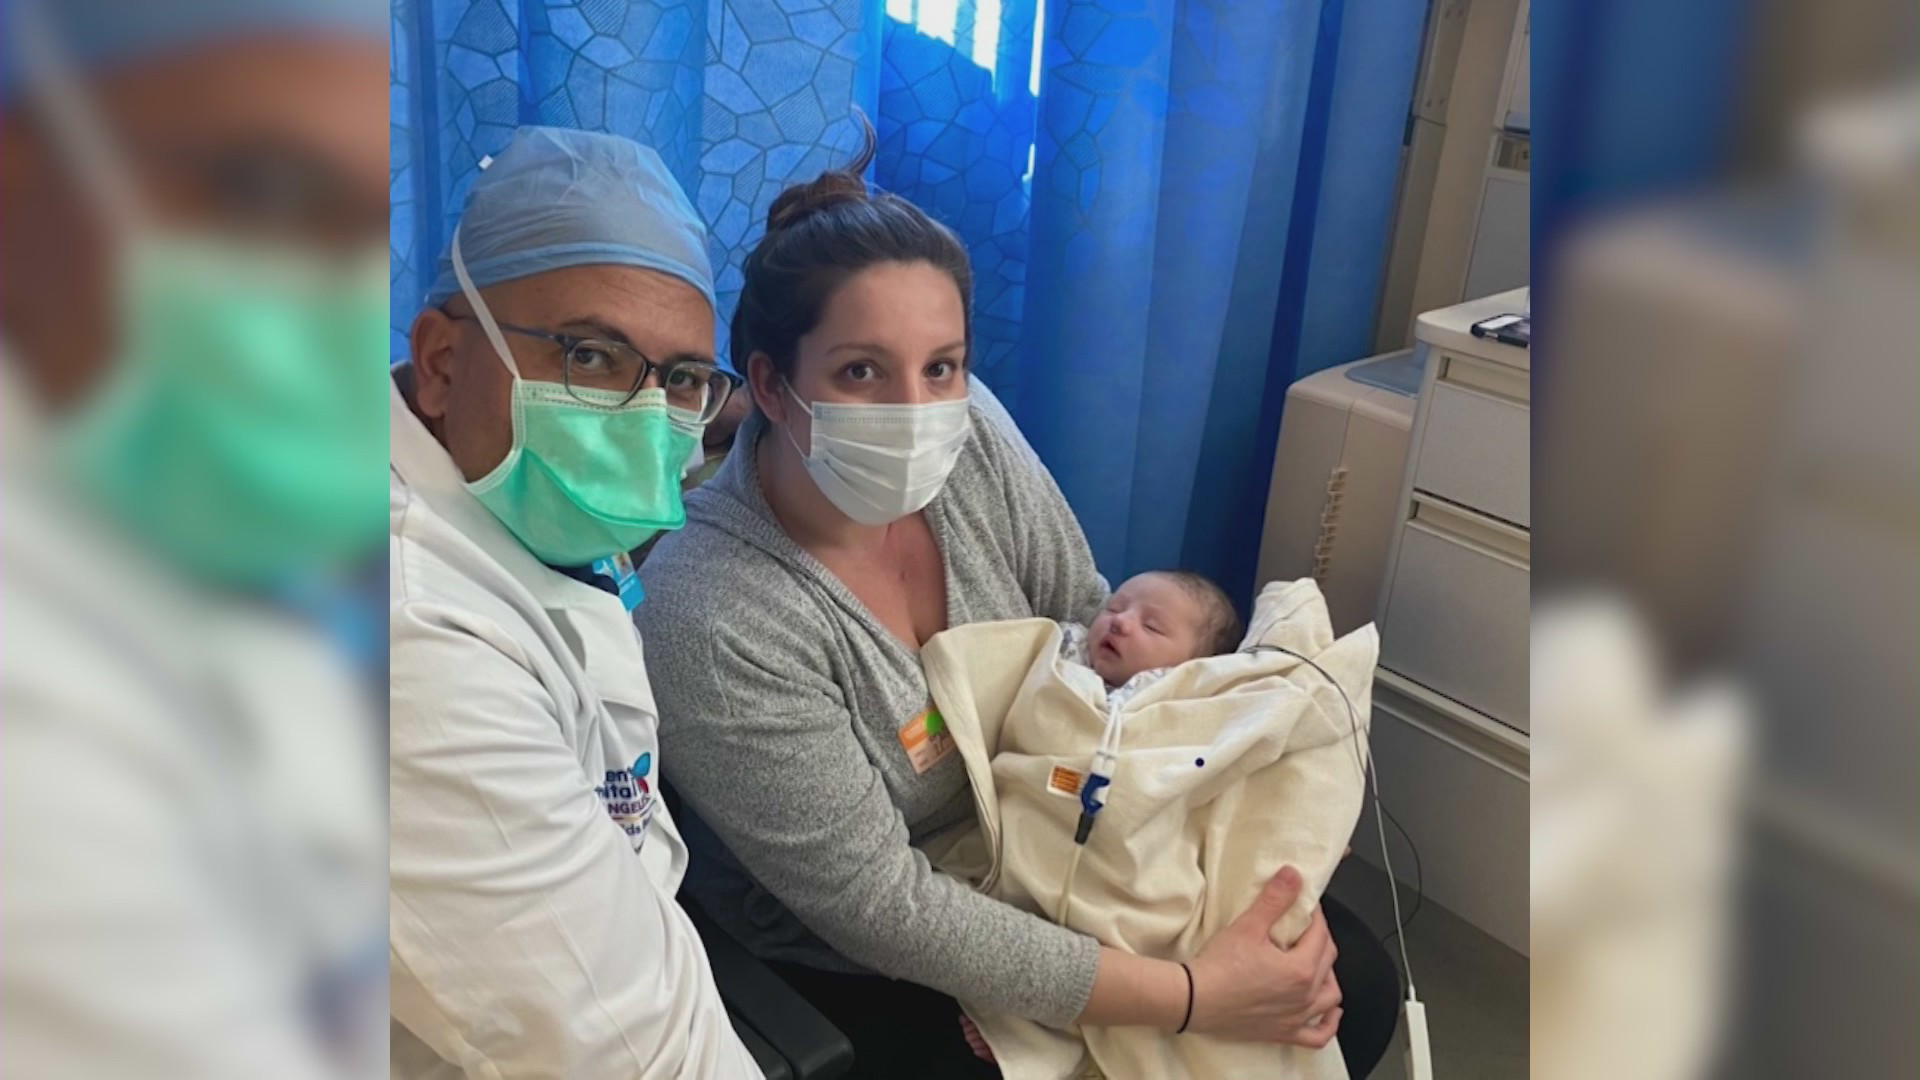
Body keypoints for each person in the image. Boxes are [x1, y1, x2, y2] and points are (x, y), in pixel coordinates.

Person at [637, 134, 1400, 1077]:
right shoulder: (713, 611)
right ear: (770, 384)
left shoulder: (974, 437)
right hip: (873, 947)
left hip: (1056, 828)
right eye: (861, 372)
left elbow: (1088, 621)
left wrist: (1232, 873)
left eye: (942, 366)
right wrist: (1197, 990)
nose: (918, 411)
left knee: (1349, 981)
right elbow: (882, 904)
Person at [1, 2, 389, 1077]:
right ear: (20, 175)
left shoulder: (231, 515)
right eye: (262, 191)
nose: (337, 295)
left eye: (371, 231)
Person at [388, 125, 760, 1079]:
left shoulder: (526, 527)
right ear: (439, 362)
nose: (645, 414)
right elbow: (634, 1055)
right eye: (591, 356)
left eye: (679, 379)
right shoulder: (404, 635)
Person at [1073, 569, 1244, 688]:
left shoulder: (1172, 705)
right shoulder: (1066, 646)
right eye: (1114, 608)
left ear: (1190, 668)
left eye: (1151, 627)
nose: (1119, 620)